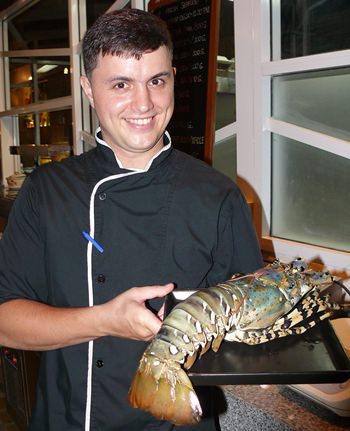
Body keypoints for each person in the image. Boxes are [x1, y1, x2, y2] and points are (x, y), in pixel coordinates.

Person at [0, 9, 263, 431]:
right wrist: (105, 320)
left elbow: (253, 323)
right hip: (69, 420)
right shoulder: (48, 191)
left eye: (156, 81)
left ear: (174, 78)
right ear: (88, 89)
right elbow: (5, 320)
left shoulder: (217, 195)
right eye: (121, 84)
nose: (144, 104)